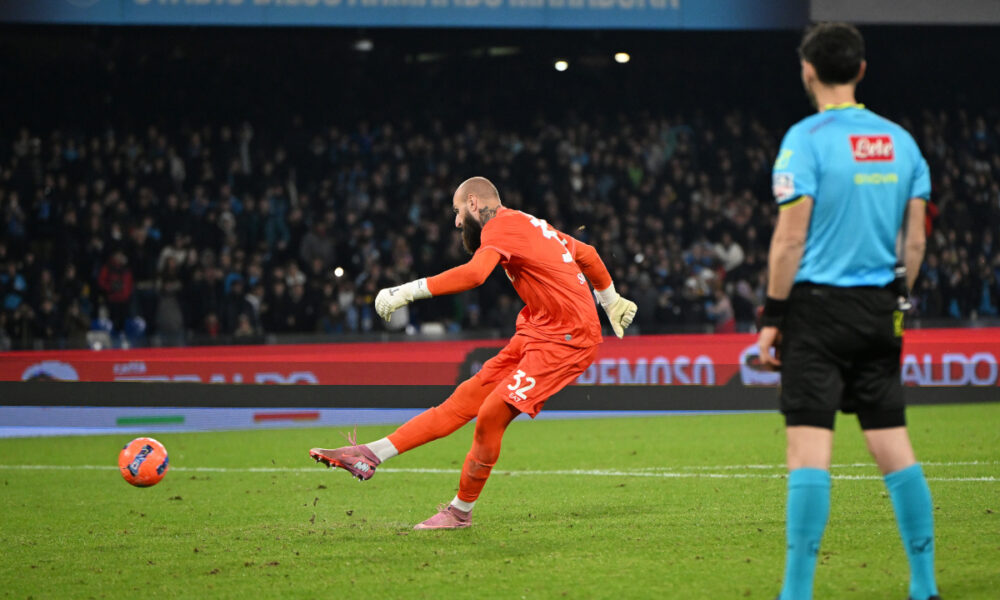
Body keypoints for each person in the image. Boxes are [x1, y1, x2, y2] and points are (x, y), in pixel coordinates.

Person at [309, 176, 637, 529]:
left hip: (567, 340)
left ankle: (459, 512)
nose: (455, 221)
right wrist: (610, 300)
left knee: (492, 412)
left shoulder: (500, 227)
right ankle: (370, 454)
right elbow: (587, 254)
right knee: (463, 400)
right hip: (537, 331)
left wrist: (406, 292)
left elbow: (476, 275)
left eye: (457, 210)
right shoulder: (527, 223)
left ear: (473, 203)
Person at [757, 23, 938, 600]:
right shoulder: (902, 143)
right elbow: (914, 240)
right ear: (861, 70)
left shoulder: (805, 139)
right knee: (893, 445)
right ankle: (924, 585)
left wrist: (772, 314)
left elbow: (790, 237)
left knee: (808, 448)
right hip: (882, 308)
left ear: (808, 71)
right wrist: (899, 294)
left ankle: (796, 591)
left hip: (816, 309)